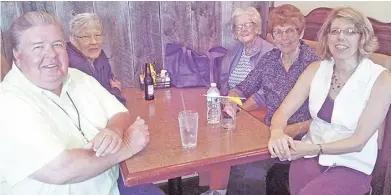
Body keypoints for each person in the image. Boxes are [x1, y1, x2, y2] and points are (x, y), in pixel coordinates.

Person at [0, 11, 164, 195]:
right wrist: (126, 147)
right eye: (38, 47)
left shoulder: (78, 78)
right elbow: (60, 170)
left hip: (111, 185)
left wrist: (114, 131)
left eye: (57, 45)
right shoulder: (8, 103)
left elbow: (119, 112)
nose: (51, 54)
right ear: (17, 56)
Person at [268, 7, 391, 195]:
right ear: (327, 37)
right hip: (308, 158)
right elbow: (283, 111)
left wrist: (311, 148)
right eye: (335, 31)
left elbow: (359, 141)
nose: (341, 37)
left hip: (351, 163)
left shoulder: (381, 79)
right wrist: (277, 133)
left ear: (362, 37)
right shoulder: (315, 69)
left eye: (350, 32)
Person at [224, 4, 321, 195]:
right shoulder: (270, 59)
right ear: (272, 35)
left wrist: (291, 130)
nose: (284, 38)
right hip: (270, 134)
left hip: (303, 138)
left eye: (290, 31)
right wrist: (233, 98)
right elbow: (244, 87)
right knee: (239, 162)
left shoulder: (314, 64)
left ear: (300, 33)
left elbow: (325, 115)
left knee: (251, 172)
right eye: (278, 32)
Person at [219, 7, 274, 112]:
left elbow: (266, 91)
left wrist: (240, 108)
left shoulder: (270, 52)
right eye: (239, 27)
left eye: (248, 25)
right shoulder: (233, 51)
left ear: (257, 27)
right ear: (235, 32)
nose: (243, 30)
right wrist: (228, 101)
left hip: (256, 109)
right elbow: (224, 81)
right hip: (232, 105)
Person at [67, 13, 125, 105]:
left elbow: (110, 80)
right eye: (86, 37)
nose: (94, 42)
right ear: (73, 39)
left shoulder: (98, 53)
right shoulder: (71, 63)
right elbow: (97, 105)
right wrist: (116, 90)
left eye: (97, 36)